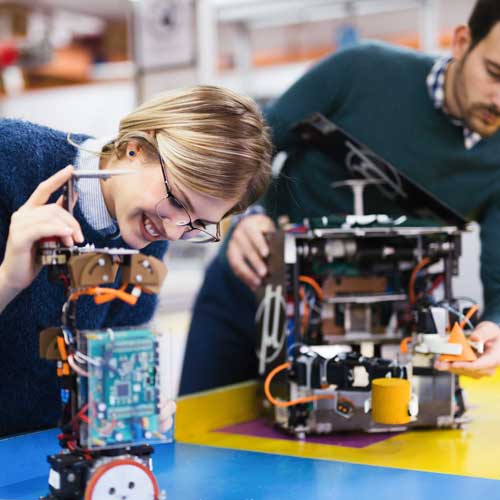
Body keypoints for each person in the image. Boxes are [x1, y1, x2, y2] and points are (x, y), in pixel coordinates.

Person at [179, 0, 500, 396]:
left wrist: (495, 329)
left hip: (371, 336)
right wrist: (247, 216)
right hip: (251, 290)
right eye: (495, 73)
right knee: (198, 440)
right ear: (462, 42)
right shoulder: (360, 71)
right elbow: (254, 147)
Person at [0, 85, 272, 436]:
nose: (174, 232)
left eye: (199, 225)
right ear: (135, 148)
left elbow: (100, 373)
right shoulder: (12, 162)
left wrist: (130, 407)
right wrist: (8, 277)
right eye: (177, 201)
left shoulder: (147, 232)